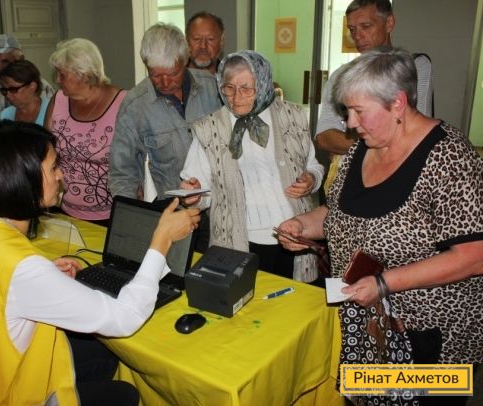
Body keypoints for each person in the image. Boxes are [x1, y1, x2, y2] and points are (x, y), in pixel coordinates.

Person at [0, 120, 200, 405]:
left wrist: (46, 276)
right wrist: (161, 241)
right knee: (124, 395)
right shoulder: (25, 269)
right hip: (6, 396)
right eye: (53, 168)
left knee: (101, 353)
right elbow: (124, 318)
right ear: (22, 179)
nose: (61, 175)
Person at [277, 48, 483, 406]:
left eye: (358, 111)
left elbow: (474, 255)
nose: (349, 123)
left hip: (431, 335)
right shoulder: (362, 148)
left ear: (398, 103)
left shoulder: (451, 157)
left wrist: (384, 283)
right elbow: (339, 213)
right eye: (347, 111)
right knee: (369, 400)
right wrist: (301, 224)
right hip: (370, 325)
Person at [180, 51, 323, 282]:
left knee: (292, 299)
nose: (236, 97)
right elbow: (200, 191)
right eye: (229, 88)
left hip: (293, 235)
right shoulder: (209, 128)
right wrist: (194, 196)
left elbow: (313, 166)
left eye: (246, 89)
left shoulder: (293, 117)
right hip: (237, 241)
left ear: (264, 85)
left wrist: (311, 180)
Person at [315, 0, 433, 193]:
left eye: (366, 26)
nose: (357, 36)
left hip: (397, 180)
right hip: (346, 185)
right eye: (352, 29)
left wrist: (346, 146)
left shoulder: (414, 67)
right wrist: (381, 143)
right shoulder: (341, 76)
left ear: (389, 23)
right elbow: (324, 138)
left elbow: (416, 137)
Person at [109, 22, 221, 200]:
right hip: (170, 209)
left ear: (185, 60)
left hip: (219, 204)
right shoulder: (134, 107)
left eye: (173, 74)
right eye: (156, 75)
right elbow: (122, 174)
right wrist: (129, 212)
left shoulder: (212, 88)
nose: (166, 83)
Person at [45, 38, 125, 223]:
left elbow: (136, 162)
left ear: (85, 75)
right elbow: (45, 151)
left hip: (111, 216)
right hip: (64, 211)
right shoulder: (59, 100)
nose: (57, 80)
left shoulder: (123, 103)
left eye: (62, 74)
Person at [0, 60, 49, 126]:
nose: (7, 95)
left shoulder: (52, 111)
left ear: (32, 86)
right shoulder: (6, 115)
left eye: (13, 89)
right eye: (4, 90)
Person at [186, 11, 225, 75]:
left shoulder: (231, 77)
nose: (203, 46)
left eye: (210, 39)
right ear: (186, 41)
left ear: (221, 42)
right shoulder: (172, 77)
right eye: (196, 39)